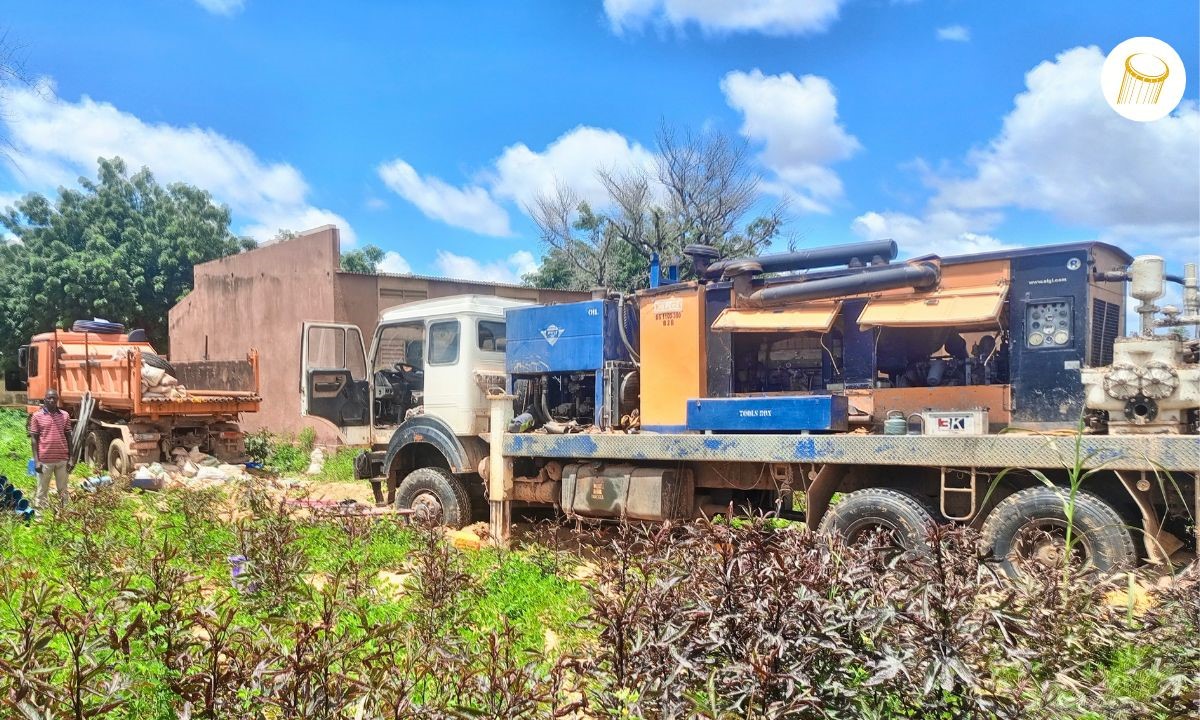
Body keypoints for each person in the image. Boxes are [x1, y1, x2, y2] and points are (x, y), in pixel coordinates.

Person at [29, 388, 72, 509]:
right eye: (49, 398)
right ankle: (40, 517)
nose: (52, 400)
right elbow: (34, 439)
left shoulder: (65, 416)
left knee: (63, 491)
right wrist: (36, 461)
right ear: (45, 399)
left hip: (62, 460)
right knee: (42, 491)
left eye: (54, 398)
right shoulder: (37, 416)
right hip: (44, 461)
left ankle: (64, 515)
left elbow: (69, 437)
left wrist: (71, 458)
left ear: (57, 399)